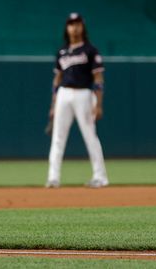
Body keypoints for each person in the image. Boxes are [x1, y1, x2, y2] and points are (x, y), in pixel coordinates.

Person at [46, 13, 109, 188]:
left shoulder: (90, 50)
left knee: (90, 136)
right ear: (67, 28)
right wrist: (53, 104)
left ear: (82, 26)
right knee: (58, 137)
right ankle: (53, 178)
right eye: (71, 24)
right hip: (64, 95)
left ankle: (100, 177)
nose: (74, 27)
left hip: (83, 95)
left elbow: (98, 78)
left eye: (77, 23)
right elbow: (57, 80)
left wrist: (99, 104)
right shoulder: (61, 52)